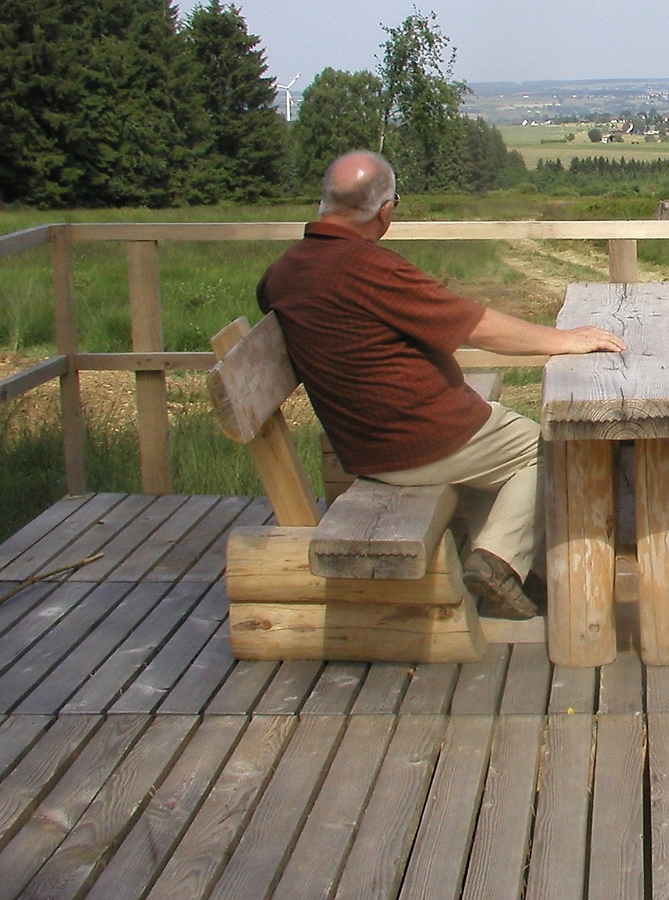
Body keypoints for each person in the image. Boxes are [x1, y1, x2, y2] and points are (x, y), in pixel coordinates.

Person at [257, 150, 624, 618]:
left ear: (325, 202)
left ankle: (510, 563)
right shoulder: (370, 269)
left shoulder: (283, 273)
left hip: (362, 443)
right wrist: (565, 340)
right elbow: (476, 328)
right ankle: (498, 561)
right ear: (384, 211)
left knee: (508, 447)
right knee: (553, 445)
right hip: (422, 440)